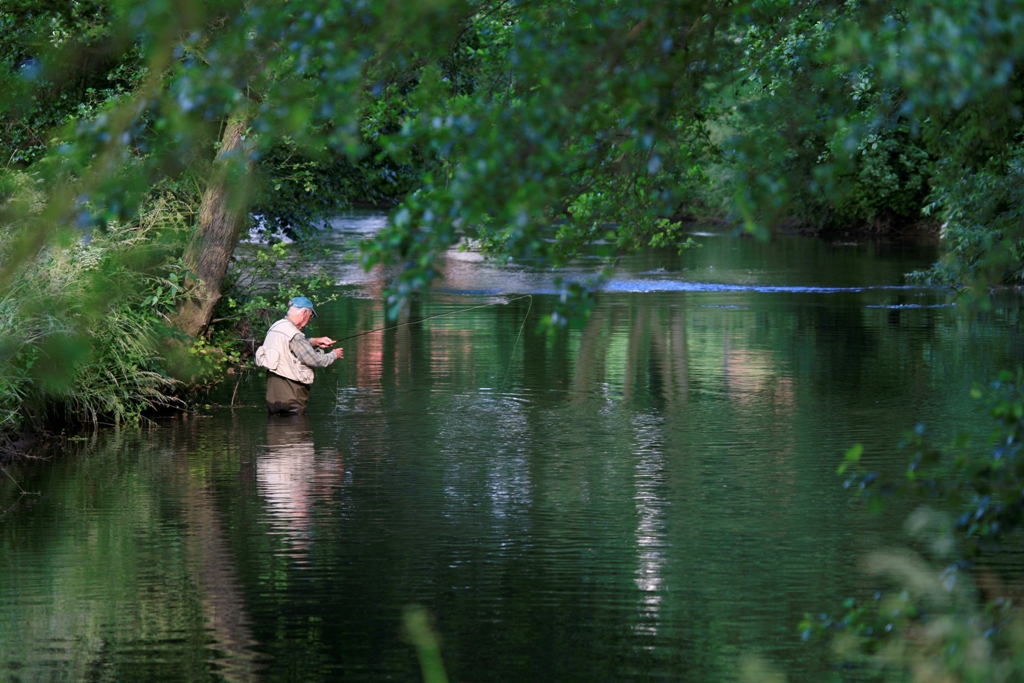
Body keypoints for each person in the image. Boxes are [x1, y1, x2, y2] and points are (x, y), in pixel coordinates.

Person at [255, 296, 343, 415]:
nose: (309, 320)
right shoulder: (295, 334)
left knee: (275, 430)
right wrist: (333, 355)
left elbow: (288, 347)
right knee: (297, 430)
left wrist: (314, 341)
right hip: (292, 397)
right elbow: (315, 360)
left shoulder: (277, 326)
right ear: (303, 313)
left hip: (273, 397)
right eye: (310, 316)